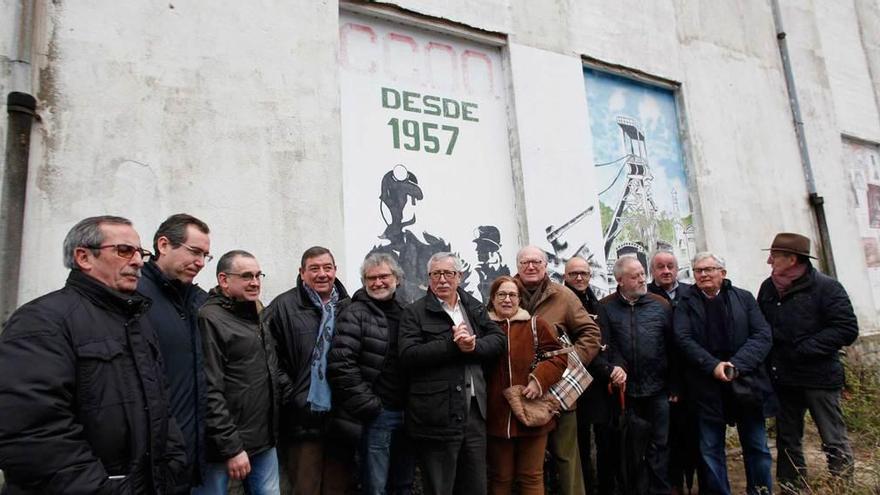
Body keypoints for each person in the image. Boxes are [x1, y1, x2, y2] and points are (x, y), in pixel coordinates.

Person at [0, 215, 186, 493]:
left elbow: (160, 403)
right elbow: (32, 435)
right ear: (84, 257)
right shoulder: (40, 321)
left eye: (140, 253)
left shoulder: (137, 320)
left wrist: (173, 465)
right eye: (124, 251)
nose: (137, 261)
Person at [757, 233, 858, 491]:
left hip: (819, 378)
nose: (769, 261)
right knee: (787, 438)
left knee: (832, 437)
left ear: (792, 259)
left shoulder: (826, 288)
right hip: (784, 378)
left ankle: (842, 486)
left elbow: (846, 329)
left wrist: (805, 348)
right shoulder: (768, 288)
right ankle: (792, 486)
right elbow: (761, 327)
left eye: (775, 256)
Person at [398, 252, 506, 495]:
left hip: (475, 411)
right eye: (436, 274)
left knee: (476, 485)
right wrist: (452, 346)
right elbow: (408, 355)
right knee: (440, 487)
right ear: (428, 278)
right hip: (436, 414)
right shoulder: (414, 313)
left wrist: (474, 346)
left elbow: (498, 340)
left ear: (460, 276)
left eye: (448, 273)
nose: (442, 279)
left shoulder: (474, 307)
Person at [675, 252, 777, 495]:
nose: (703, 274)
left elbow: (763, 336)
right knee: (710, 449)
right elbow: (683, 339)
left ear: (723, 272)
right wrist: (713, 366)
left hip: (746, 384)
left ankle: (760, 491)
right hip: (706, 387)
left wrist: (736, 365)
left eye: (709, 269)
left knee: (757, 447)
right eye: (699, 270)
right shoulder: (685, 303)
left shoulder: (743, 298)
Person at [263, 246, 353, 494]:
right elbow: (268, 357)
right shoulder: (282, 307)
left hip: (341, 417)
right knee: (305, 486)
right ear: (302, 273)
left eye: (327, 268)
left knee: (338, 486)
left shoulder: (349, 307)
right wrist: (292, 394)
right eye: (314, 268)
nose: (322, 274)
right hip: (302, 417)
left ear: (335, 270)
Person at [197, 251, 287, 495]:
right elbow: (209, 389)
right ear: (224, 280)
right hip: (225, 444)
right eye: (247, 276)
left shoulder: (257, 313)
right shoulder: (209, 319)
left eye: (258, 275)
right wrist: (231, 447)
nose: (255, 282)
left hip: (264, 438)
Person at [514, 246, 602, 495]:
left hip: (558, 391)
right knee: (527, 462)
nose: (531, 267)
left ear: (545, 266)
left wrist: (569, 364)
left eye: (536, 262)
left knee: (566, 458)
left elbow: (591, 333)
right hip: (522, 392)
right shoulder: (506, 293)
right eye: (525, 262)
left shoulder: (564, 296)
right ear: (518, 266)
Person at [328, 253, 415, 495]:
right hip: (378, 415)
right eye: (370, 278)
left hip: (408, 415)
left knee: (404, 485)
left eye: (383, 276)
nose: (377, 282)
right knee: (375, 487)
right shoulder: (354, 313)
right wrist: (370, 406)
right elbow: (341, 365)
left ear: (397, 278)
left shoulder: (407, 312)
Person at [139, 213, 212, 491]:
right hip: (151, 458)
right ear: (163, 245)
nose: (200, 262)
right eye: (194, 252)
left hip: (186, 454)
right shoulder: (135, 296)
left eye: (206, 255)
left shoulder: (197, 300)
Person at [600, 256, 676, 494]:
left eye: (643, 273)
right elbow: (606, 344)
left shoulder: (660, 304)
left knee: (660, 444)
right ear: (620, 280)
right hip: (626, 391)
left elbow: (673, 347)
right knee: (631, 447)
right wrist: (614, 367)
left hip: (659, 388)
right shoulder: (605, 307)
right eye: (635, 276)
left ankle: (660, 490)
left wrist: (675, 386)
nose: (643, 279)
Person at [486, 276, 566, 494]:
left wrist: (538, 380)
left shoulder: (535, 324)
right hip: (496, 415)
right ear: (492, 299)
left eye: (512, 295)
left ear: (519, 299)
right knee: (500, 477)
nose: (507, 300)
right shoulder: (483, 326)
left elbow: (558, 357)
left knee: (531, 477)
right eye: (501, 294)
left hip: (533, 412)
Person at [563, 257, 620, 495]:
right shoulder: (561, 302)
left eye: (584, 273)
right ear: (565, 276)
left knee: (606, 444)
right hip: (575, 388)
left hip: (601, 388)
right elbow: (579, 345)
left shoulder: (596, 304)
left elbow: (610, 340)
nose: (579, 278)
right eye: (574, 273)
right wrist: (608, 368)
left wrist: (618, 366)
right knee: (580, 448)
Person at [647, 249, 700, 494]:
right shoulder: (647, 296)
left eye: (670, 266)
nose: (666, 271)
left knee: (695, 436)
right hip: (664, 381)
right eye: (660, 267)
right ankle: (674, 484)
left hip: (695, 378)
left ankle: (697, 483)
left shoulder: (692, 293)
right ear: (652, 271)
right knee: (668, 438)